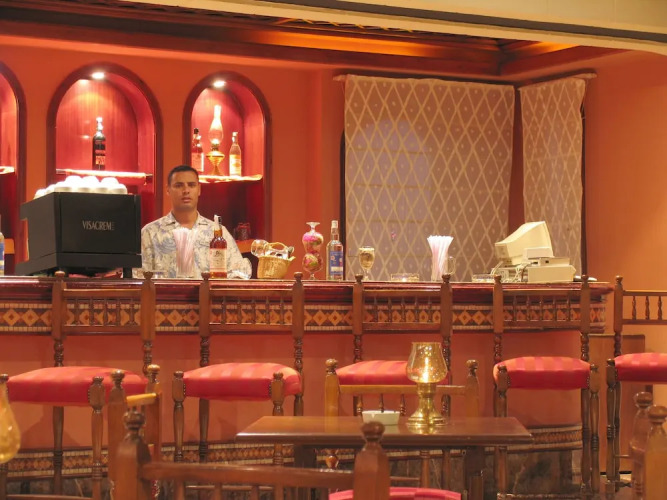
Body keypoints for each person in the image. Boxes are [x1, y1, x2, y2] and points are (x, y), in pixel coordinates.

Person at [137, 165, 251, 279]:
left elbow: (239, 272)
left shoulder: (217, 233)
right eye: (179, 185)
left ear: (199, 189)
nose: (186, 191)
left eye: (191, 185)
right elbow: (137, 275)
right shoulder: (150, 233)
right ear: (168, 190)